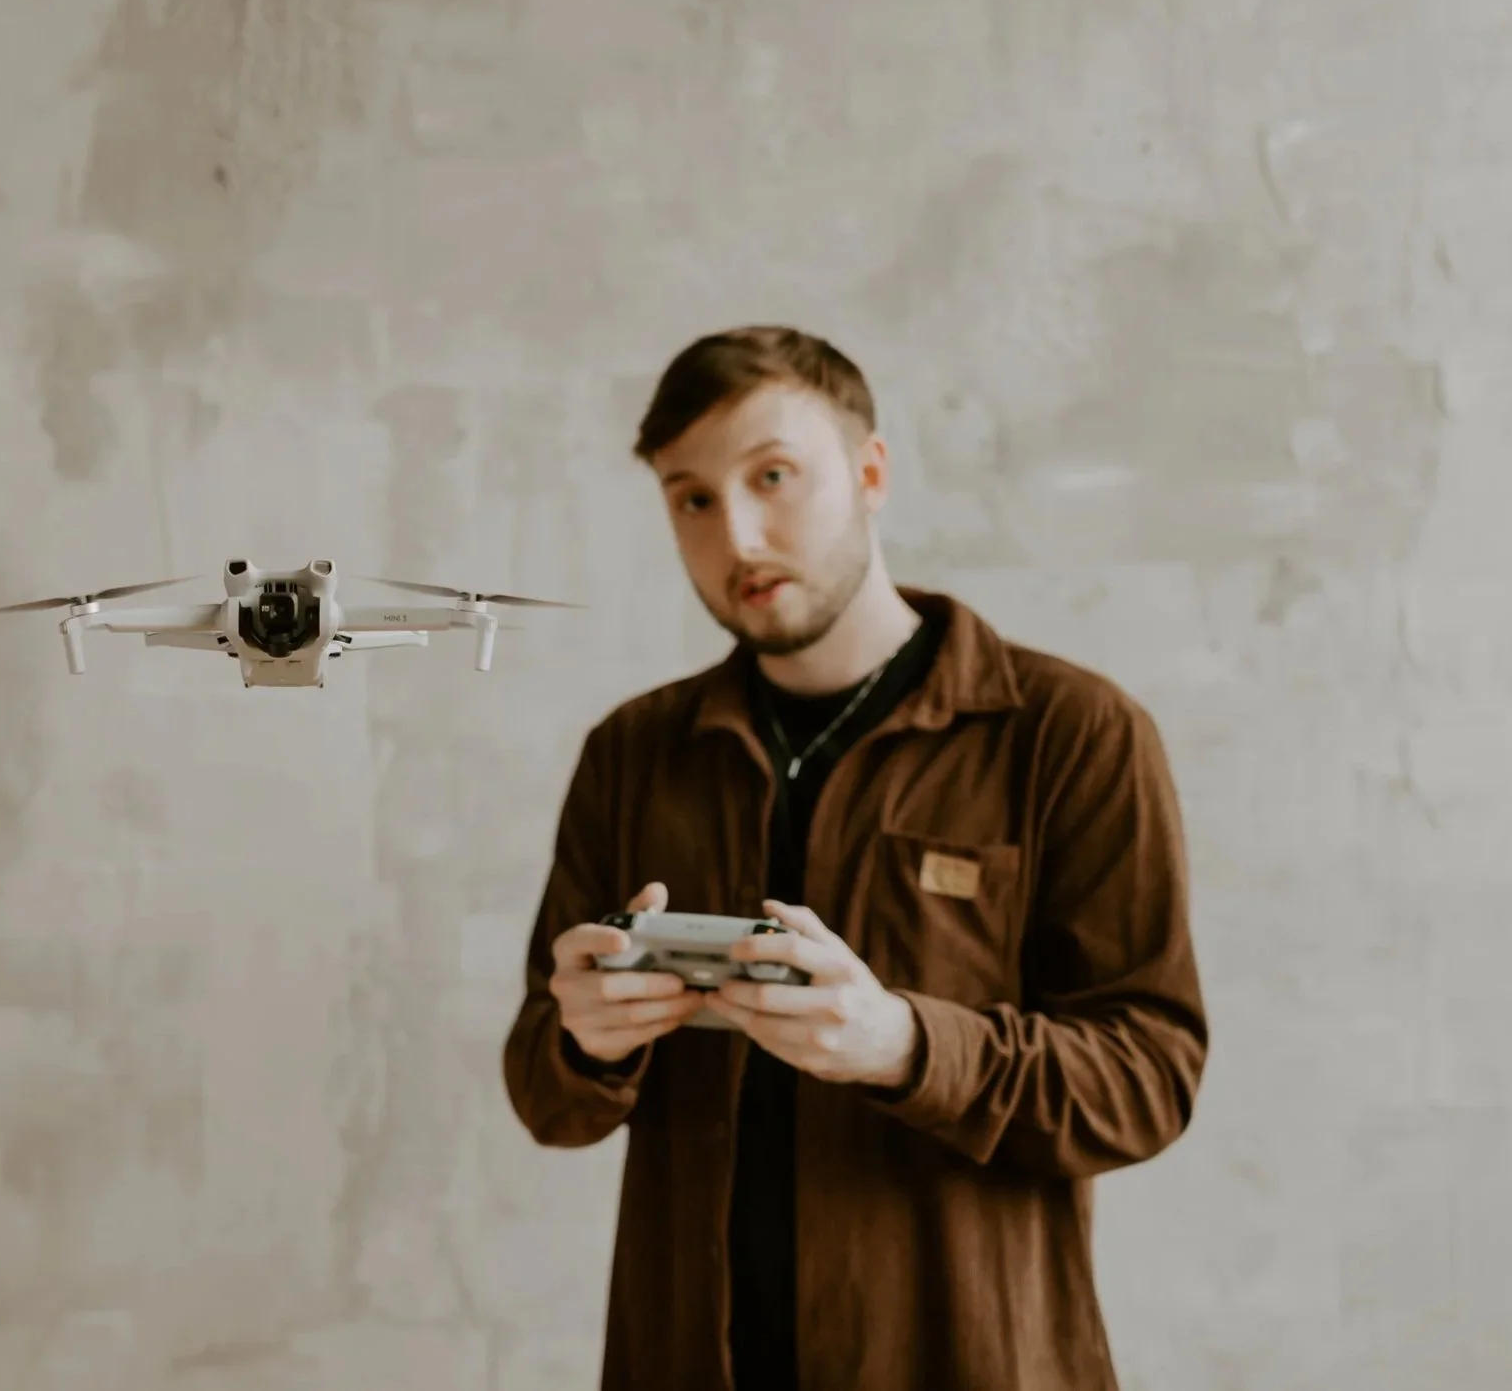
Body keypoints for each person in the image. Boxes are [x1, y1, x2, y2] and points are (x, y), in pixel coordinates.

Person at [500, 325, 1209, 1390]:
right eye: (690, 497)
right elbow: (544, 1096)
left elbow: (1148, 1075)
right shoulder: (633, 754)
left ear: (870, 473)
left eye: (772, 475)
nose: (736, 533)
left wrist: (904, 1042)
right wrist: (587, 1042)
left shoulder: (1069, 733)